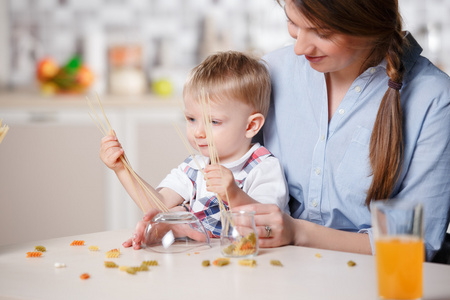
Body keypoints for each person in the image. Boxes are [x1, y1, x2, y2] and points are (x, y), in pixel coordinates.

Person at [234, 0, 450, 261]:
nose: (300, 47)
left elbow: (417, 244)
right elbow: (231, 165)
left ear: (369, 24)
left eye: (323, 32)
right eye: (292, 22)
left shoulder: (433, 98)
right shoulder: (273, 71)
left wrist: (298, 232)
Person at [100, 51, 289, 245]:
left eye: (214, 121)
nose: (198, 132)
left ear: (251, 126)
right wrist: (121, 169)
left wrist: (233, 193)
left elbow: (269, 225)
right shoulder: (194, 167)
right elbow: (158, 204)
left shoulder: (263, 168)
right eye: (191, 119)